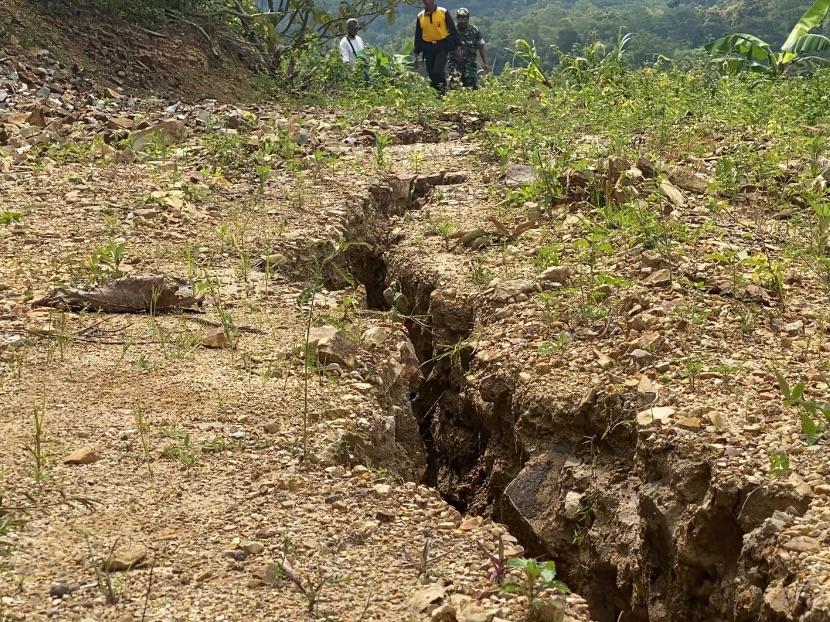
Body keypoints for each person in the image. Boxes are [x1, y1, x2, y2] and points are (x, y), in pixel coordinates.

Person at [413, 0, 460, 94]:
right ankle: (437, 95)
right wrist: (416, 54)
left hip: (442, 45)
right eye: (425, 1)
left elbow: (452, 29)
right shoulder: (420, 16)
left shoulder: (443, 12)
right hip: (428, 47)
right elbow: (418, 36)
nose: (427, 2)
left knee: (438, 71)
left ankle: (443, 92)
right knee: (431, 73)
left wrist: (458, 46)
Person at [449, 8, 489, 89]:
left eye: (464, 18)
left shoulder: (474, 31)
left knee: (471, 89)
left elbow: (481, 46)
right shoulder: (452, 31)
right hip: (455, 66)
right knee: (455, 89)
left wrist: (486, 63)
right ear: (457, 18)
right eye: (460, 18)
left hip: (470, 67)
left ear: (468, 18)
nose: (462, 20)